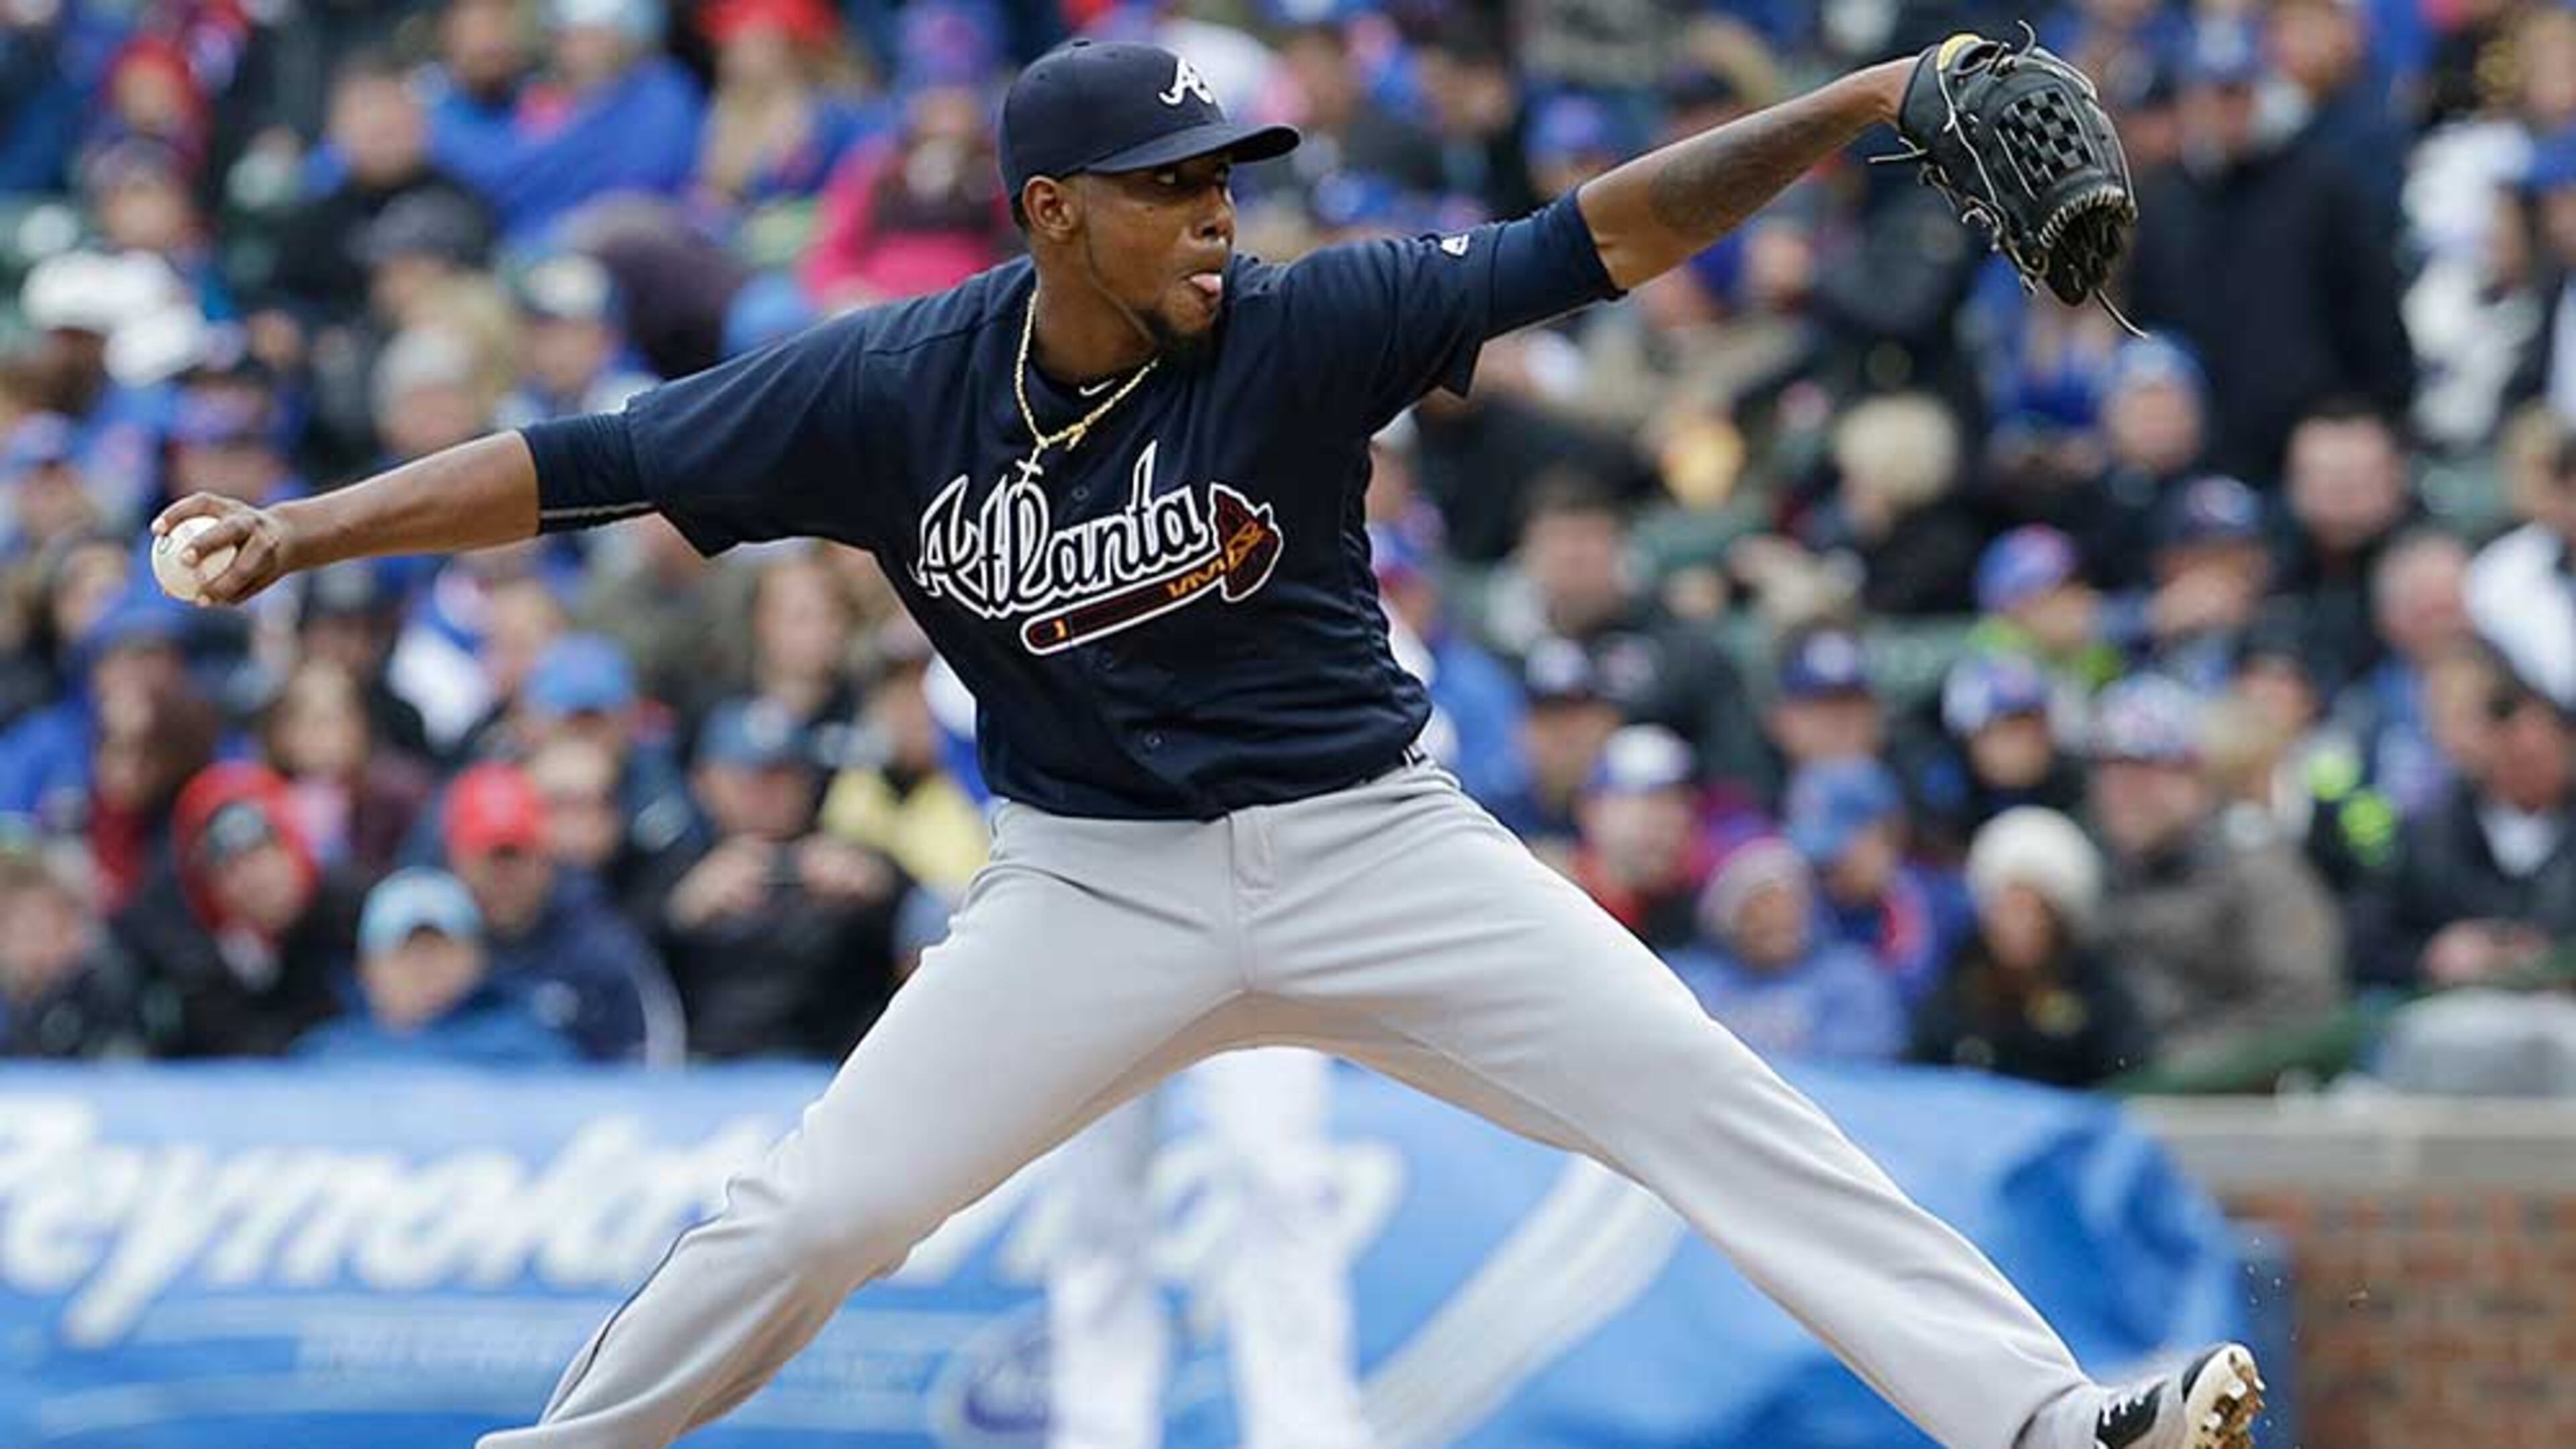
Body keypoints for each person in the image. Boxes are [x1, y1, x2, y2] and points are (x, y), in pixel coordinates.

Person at [155, 36, 2261, 1449]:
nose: (1219, 216)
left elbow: (1597, 238)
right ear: (1050, 210)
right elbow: (581, 461)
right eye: (1173, 189)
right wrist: (302, 528)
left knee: (1709, 1105)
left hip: (1375, 847)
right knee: (808, 1221)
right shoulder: (890, 386)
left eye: (1228, 179)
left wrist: (1869, 93)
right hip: (1090, 888)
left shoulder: (1307, 325)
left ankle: (2043, 1422)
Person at [1912, 807, 2152, 1089]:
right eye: (2009, 909)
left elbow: (2125, 1079)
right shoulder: (1960, 984)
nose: (2020, 926)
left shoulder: (2097, 996)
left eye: (2037, 911)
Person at [296, 866, 580, 1065]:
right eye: (405, 951)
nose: (423, 968)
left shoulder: (526, 1051)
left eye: (440, 949)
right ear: (366, 966)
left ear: (477, 960)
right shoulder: (327, 1056)